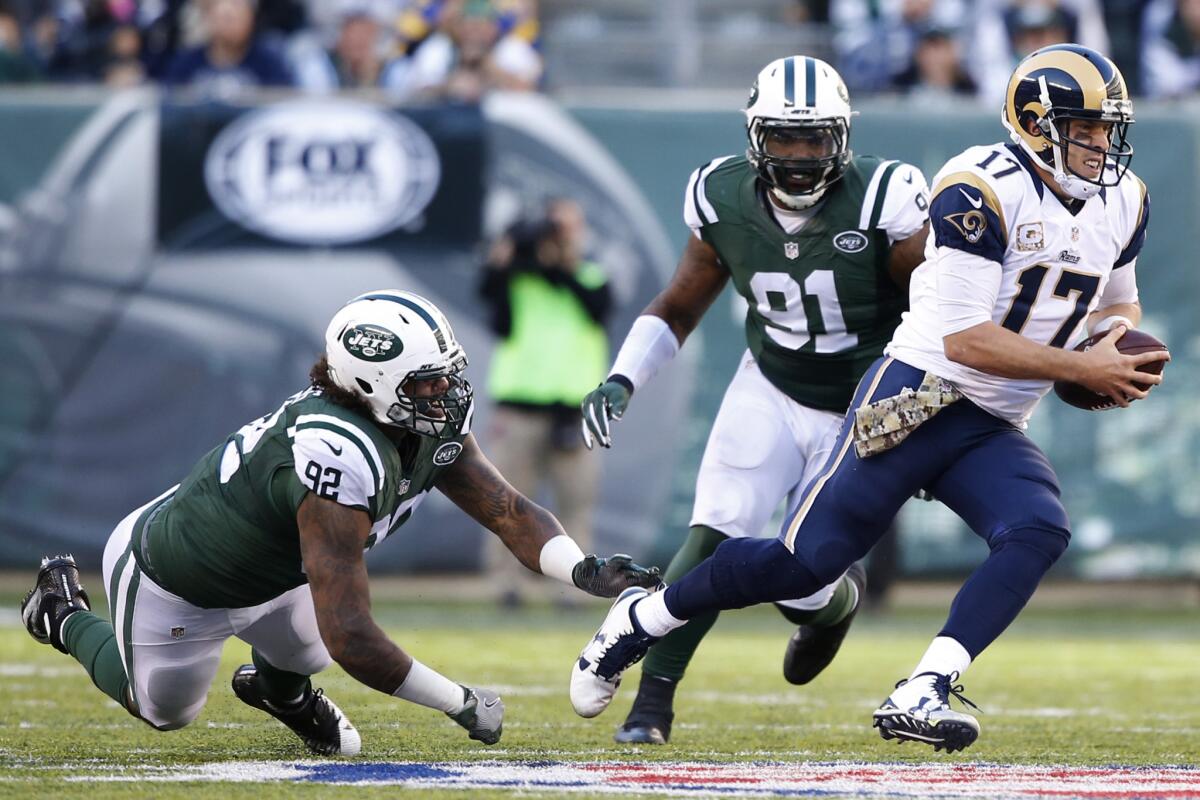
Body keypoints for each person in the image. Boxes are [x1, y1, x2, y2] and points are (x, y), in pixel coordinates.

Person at [571, 43, 1166, 754]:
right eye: (1087, 127)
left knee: (1038, 529)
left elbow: (1117, 305)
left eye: (1107, 128)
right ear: (1037, 123)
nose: (1103, 144)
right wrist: (1078, 366)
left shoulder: (1125, 199)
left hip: (994, 418)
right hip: (917, 397)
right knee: (803, 565)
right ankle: (644, 619)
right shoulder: (978, 188)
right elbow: (966, 341)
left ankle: (926, 686)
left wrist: (1112, 347)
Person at [21, 290, 660, 757]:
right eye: (429, 384)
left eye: (448, 376)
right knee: (163, 711)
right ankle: (60, 614)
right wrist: (460, 701)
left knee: (304, 652)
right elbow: (355, 634)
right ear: (373, 384)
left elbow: (509, 511)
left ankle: (284, 696)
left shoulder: (416, 422)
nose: (449, 393)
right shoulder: (336, 451)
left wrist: (582, 569)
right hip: (176, 578)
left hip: (275, 572)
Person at [578, 55, 930, 745]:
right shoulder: (720, 195)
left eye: (815, 139)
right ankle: (651, 705)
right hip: (770, 382)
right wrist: (623, 379)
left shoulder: (886, 196)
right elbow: (679, 306)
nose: (799, 159)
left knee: (801, 588)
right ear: (754, 136)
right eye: (783, 139)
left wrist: (928, 410)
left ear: (842, 138)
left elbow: (941, 306)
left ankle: (834, 607)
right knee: (715, 527)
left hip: (863, 407)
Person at [479, 199, 612, 608]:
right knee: (507, 500)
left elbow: (596, 310)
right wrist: (506, 252)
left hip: (574, 412)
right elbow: (492, 304)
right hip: (521, 408)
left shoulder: (590, 277)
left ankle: (575, 585)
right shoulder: (517, 280)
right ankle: (507, 585)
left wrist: (562, 260)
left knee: (576, 504)